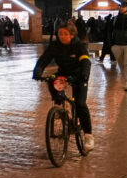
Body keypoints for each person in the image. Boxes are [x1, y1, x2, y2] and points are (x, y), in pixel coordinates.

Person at [33, 21, 93, 151]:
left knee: (80, 104)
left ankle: (88, 136)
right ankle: (59, 107)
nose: (62, 36)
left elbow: (85, 62)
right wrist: (37, 72)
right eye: (60, 34)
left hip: (78, 75)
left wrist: (84, 75)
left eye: (65, 34)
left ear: (71, 35)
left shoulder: (79, 46)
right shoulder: (55, 46)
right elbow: (44, 59)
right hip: (63, 73)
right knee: (52, 79)